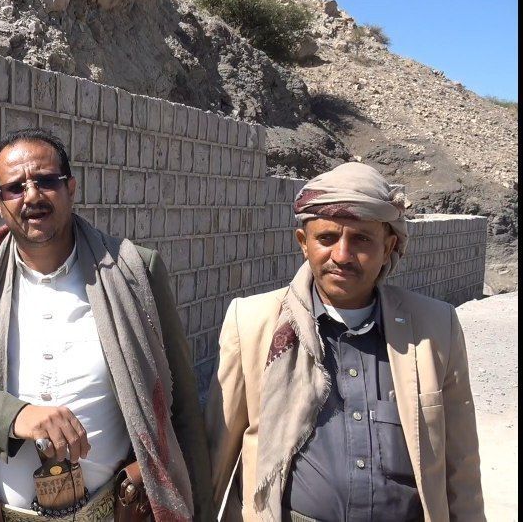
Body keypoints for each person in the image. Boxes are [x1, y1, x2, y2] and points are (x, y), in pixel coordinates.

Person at [0, 129, 213, 520]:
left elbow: (180, 403)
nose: (32, 195)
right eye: (15, 188)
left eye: (46, 180)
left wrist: (201, 509)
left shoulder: (133, 270)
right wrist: (15, 416)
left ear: (71, 188)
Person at [205, 162, 485, 521]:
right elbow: (215, 455)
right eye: (326, 238)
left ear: (389, 247)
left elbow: (461, 466)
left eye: (361, 239)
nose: (342, 255)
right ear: (303, 243)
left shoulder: (434, 327)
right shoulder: (253, 322)